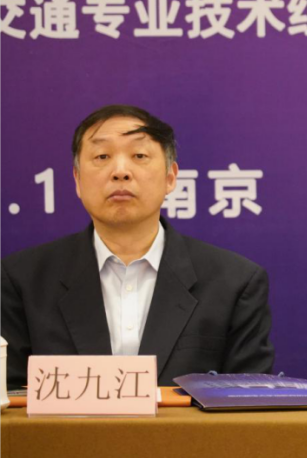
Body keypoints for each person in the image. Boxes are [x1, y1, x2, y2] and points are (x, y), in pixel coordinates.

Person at [2, 105, 275, 388]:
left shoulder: (234, 283)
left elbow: (249, 402)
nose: (120, 171)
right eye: (102, 156)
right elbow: (10, 398)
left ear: (170, 177)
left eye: (139, 156)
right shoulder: (22, 280)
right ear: (77, 180)